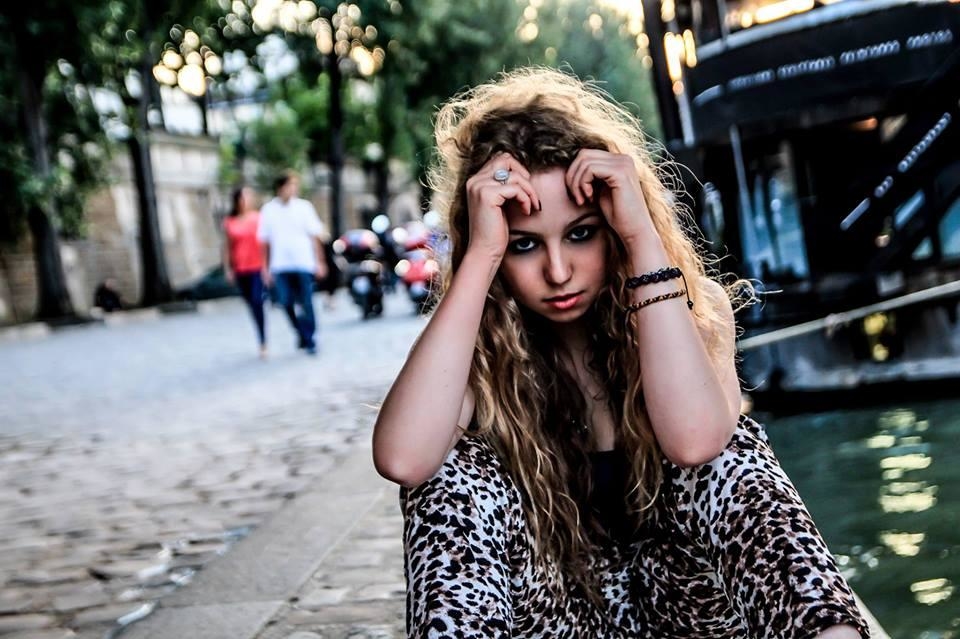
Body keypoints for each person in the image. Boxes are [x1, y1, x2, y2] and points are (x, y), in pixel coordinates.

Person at [372, 68, 868, 638]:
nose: (559, 272)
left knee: (732, 458)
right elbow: (403, 460)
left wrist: (641, 238)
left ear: (611, 224)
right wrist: (480, 254)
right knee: (447, 479)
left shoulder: (695, 308)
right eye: (525, 244)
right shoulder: (479, 350)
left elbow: (697, 443)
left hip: (688, 610)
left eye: (581, 233)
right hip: (552, 614)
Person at [257, 170, 328, 355]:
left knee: (306, 301)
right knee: (285, 301)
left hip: (303, 262)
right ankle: (300, 331)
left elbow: (315, 236)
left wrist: (320, 261)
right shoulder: (268, 210)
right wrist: (265, 268)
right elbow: (265, 242)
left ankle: (310, 338)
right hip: (280, 265)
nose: (293, 189)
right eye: (290, 185)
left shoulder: (304, 207)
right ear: (281, 187)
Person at [223, 186, 267, 358]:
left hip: (257, 267)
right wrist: (228, 268)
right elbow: (227, 247)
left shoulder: (258, 218)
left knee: (257, 300)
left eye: (248, 197)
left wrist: (266, 267)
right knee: (251, 303)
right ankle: (259, 333)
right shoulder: (230, 221)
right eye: (242, 197)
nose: (245, 201)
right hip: (240, 269)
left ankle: (263, 340)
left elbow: (265, 244)